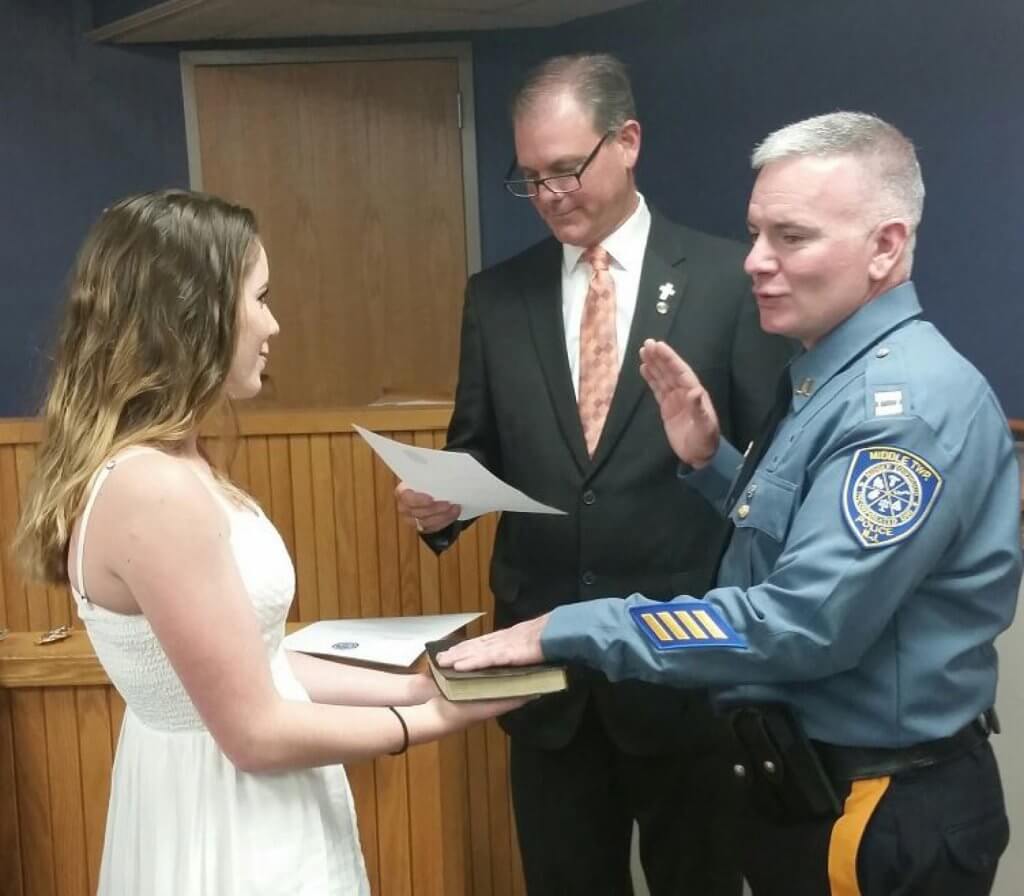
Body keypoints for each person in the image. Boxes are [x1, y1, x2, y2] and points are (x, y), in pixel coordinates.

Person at [439, 111, 1020, 896]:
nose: (756, 262)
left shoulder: (904, 405)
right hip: (805, 787)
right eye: (754, 234)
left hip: (876, 807)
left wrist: (573, 629)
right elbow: (802, 541)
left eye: (792, 238)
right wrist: (714, 468)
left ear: (885, 246)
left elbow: (801, 622)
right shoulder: (831, 376)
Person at [13, 189, 523, 896]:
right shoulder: (151, 489)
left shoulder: (176, 464)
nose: (274, 324)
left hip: (241, 801)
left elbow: (264, 663)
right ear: (196, 313)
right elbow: (254, 732)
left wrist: (412, 685)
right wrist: (424, 720)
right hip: (225, 820)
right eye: (261, 297)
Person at [396, 54, 792, 896]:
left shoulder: (730, 282)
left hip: (686, 668)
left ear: (629, 142)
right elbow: (481, 451)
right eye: (530, 178)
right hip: (544, 686)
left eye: (566, 169)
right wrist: (444, 507)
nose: (550, 194)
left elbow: (776, 475)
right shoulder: (498, 297)